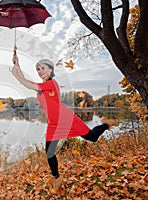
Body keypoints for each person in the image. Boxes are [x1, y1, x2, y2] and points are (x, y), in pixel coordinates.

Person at [11, 55, 119, 193]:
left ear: (50, 70)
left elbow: (27, 83)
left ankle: (106, 124)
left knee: (92, 137)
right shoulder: (41, 88)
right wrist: (17, 64)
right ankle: (57, 178)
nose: (40, 71)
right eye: (38, 69)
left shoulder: (51, 83)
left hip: (66, 118)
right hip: (53, 123)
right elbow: (27, 82)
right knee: (49, 152)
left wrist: (17, 76)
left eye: (43, 68)